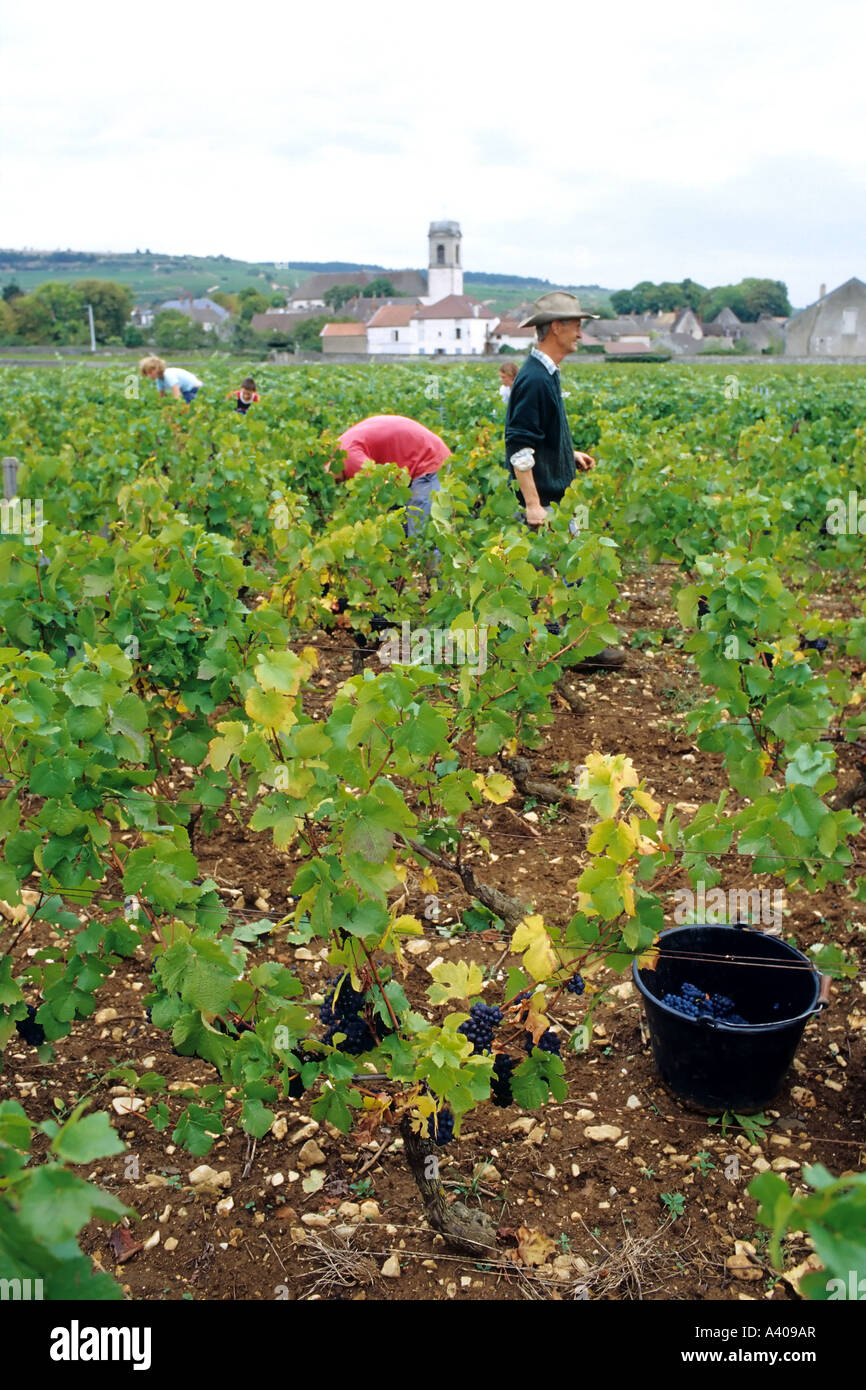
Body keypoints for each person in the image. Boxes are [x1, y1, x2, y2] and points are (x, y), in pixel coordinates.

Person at [504, 291, 625, 671]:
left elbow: (538, 437)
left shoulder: (546, 374)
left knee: (568, 573)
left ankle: (564, 648)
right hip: (548, 501)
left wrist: (564, 453)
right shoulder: (535, 379)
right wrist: (533, 505)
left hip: (557, 494)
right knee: (563, 575)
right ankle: (567, 651)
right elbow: (519, 444)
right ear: (555, 327)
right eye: (576, 326)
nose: (580, 335)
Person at [328, 414, 451, 536]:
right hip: (410, 467)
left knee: (420, 536)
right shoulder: (340, 447)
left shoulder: (349, 459)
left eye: (334, 481)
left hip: (429, 461)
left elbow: (382, 490)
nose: (337, 484)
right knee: (399, 530)